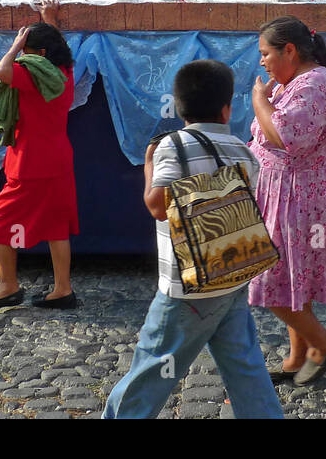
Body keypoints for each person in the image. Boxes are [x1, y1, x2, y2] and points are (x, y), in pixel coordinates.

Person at [104, 60, 285, 418]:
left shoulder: (175, 146)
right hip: (231, 276)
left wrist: (148, 168)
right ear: (227, 108)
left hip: (186, 288)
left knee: (153, 366)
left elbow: (158, 206)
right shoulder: (242, 151)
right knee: (245, 368)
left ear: (179, 105)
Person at [250, 16, 326, 386]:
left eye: (266, 54)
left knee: (269, 277)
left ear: (289, 50)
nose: (262, 62)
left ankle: (323, 342)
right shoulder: (295, 82)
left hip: (299, 196)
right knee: (292, 279)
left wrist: (259, 100)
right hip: (286, 192)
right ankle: (296, 357)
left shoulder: (314, 85)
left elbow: (283, 136)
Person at [0, 1, 78, 310]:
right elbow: (57, 47)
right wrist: (49, 20)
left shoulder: (30, 74)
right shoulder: (62, 72)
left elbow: (1, 71)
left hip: (30, 163)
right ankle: (63, 289)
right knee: (56, 226)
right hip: (59, 159)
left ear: (39, 54)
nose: (23, 54)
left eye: (27, 49)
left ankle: (8, 285)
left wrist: (14, 45)